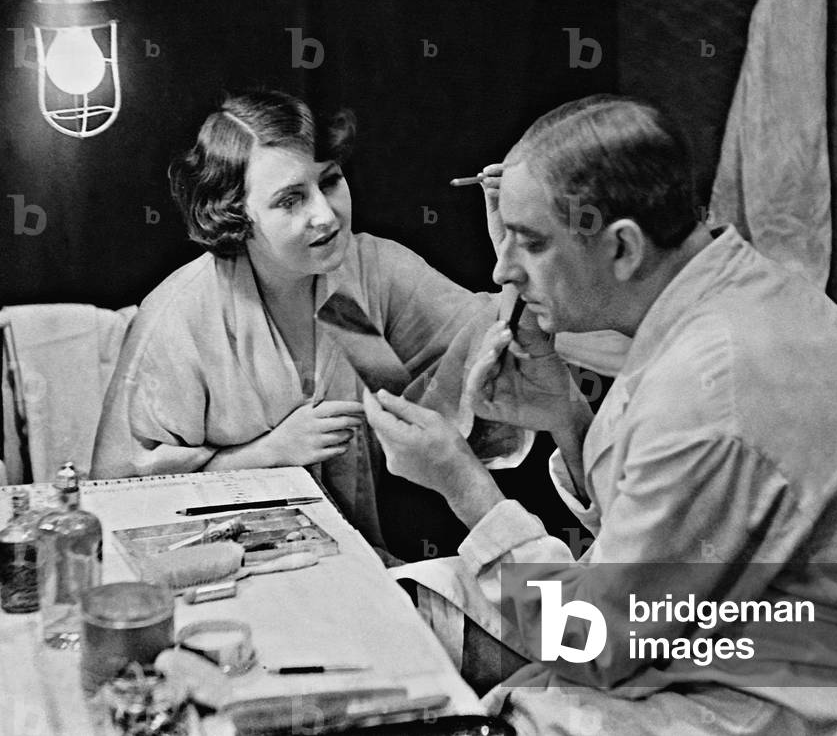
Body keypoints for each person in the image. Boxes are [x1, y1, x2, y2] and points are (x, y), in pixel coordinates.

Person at [364, 94, 837, 735]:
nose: (504, 269)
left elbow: (598, 646)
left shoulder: (708, 385)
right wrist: (567, 416)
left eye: (530, 242)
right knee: (393, 606)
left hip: (776, 694)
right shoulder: (726, 289)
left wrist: (462, 484)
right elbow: (665, 535)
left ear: (623, 249)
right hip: (714, 631)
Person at [93, 90, 527, 554]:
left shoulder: (361, 276)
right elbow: (119, 494)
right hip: (215, 567)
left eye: (331, 181)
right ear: (235, 214)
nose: (324, 215)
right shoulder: (185, 315)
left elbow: (491, 353)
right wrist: (266, 454)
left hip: (353, 557)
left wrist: (518, 257)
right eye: (290, 200)